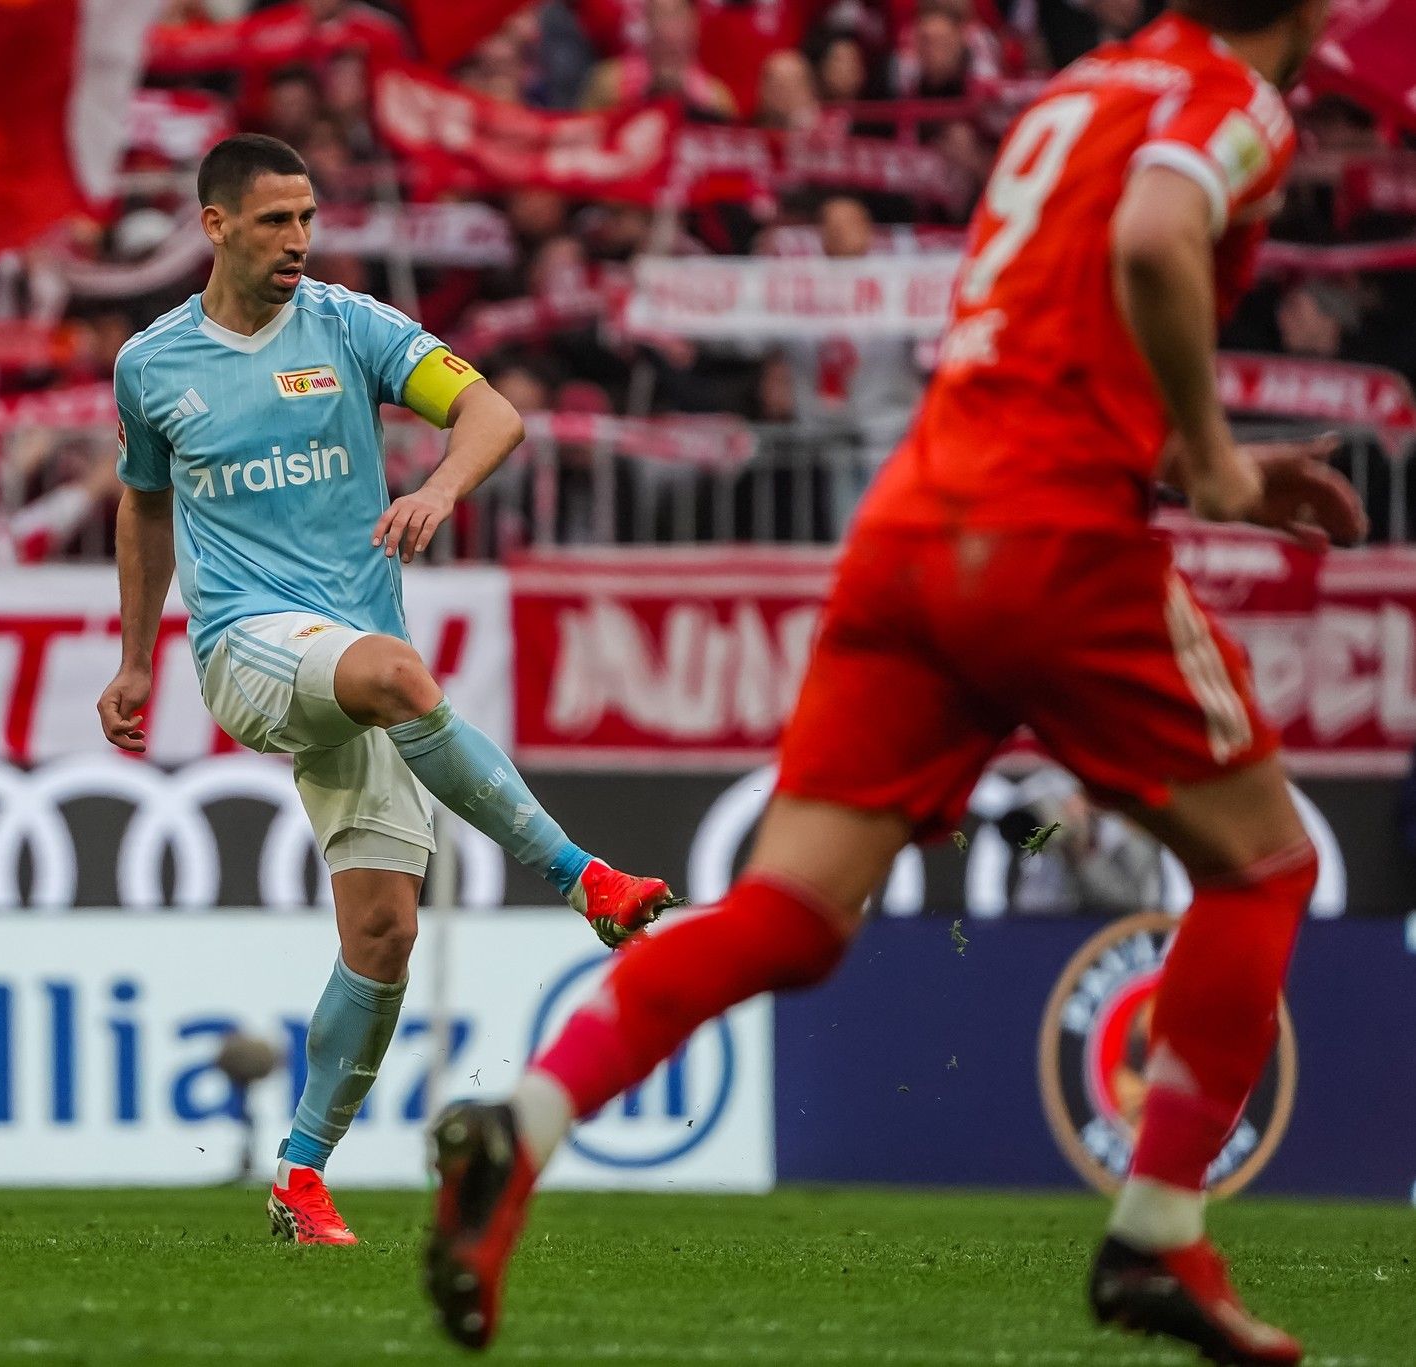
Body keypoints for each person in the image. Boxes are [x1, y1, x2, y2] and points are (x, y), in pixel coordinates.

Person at [422, 3, 1363, 1364]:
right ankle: (1158, 1229)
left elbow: (1043, 335)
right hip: (1052, 538)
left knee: (789, 913)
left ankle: (528, 1121)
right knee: (1262, 863)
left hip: (915, 521)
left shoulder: (1081, 88)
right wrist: (1212, 469)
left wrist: (1183, 453)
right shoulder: (1236, 105)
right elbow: (1154, 237)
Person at [96, 134, 679, 1247]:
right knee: (401, 672)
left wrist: (441, 484)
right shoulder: (152, 363)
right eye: (274, 221)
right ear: (214, 225)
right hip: (248, 649)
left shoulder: (350, 325)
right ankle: (583, 878)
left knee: (384, 931)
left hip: (351, 662)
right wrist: (135, 657)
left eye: (307, 217)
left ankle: (299, 1175)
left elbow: (492, 415)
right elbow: (144, 504)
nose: (298, 240)